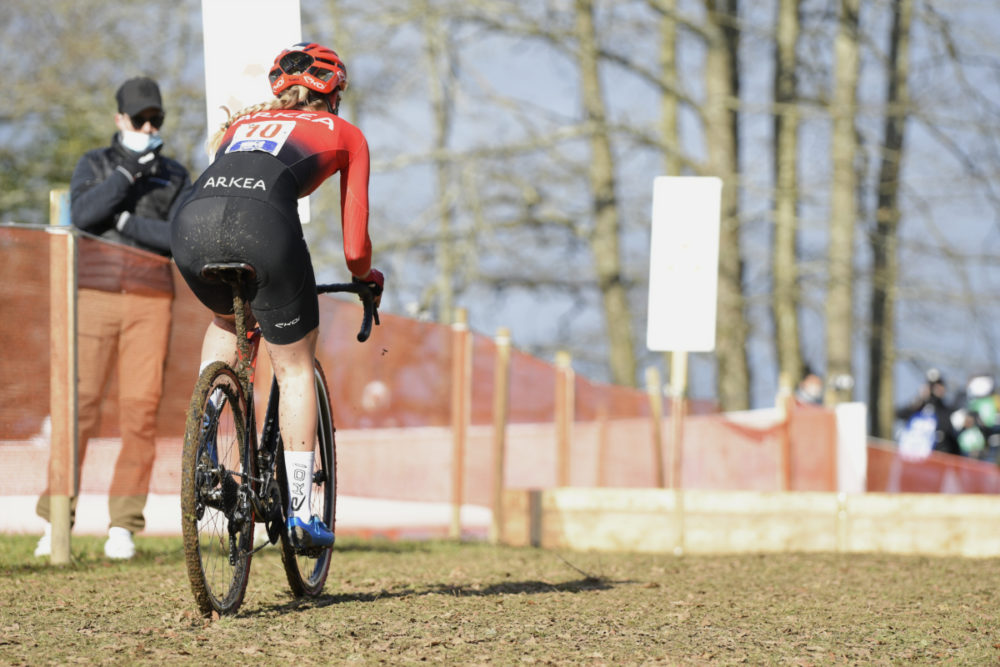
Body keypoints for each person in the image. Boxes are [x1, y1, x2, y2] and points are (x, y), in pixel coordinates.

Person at [171, 42, 384, 551]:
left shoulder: (241, 126)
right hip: (264, 228)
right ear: (333, 92)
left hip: (190, 226)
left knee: (227, 321)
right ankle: (303, 512)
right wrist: (367, 277)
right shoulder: (345, 133)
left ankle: (203, 445)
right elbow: (355, 249)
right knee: (294, 369)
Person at [35, 77, 192, 559]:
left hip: (151, 299)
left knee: (140, 412)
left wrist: (123, 222)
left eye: (155, 119)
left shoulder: (175, 174)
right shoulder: (95, 163)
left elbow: (178, 237)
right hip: (92, 295)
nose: (148, 127)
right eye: (139, 118)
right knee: (77, 407)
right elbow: (81, 215)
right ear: (120, 118)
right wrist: (126, 175)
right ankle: (55, 520)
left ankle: (123, 525)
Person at [895, 368, 959, 460]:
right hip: (912, 459)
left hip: (936, 459)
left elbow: (946, 427)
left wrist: (936, 401)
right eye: (931, 386)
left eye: (938, 385)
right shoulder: (917, 408)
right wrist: (919, 399)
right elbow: (899, 414)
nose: (934, 389)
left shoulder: (947, 411)